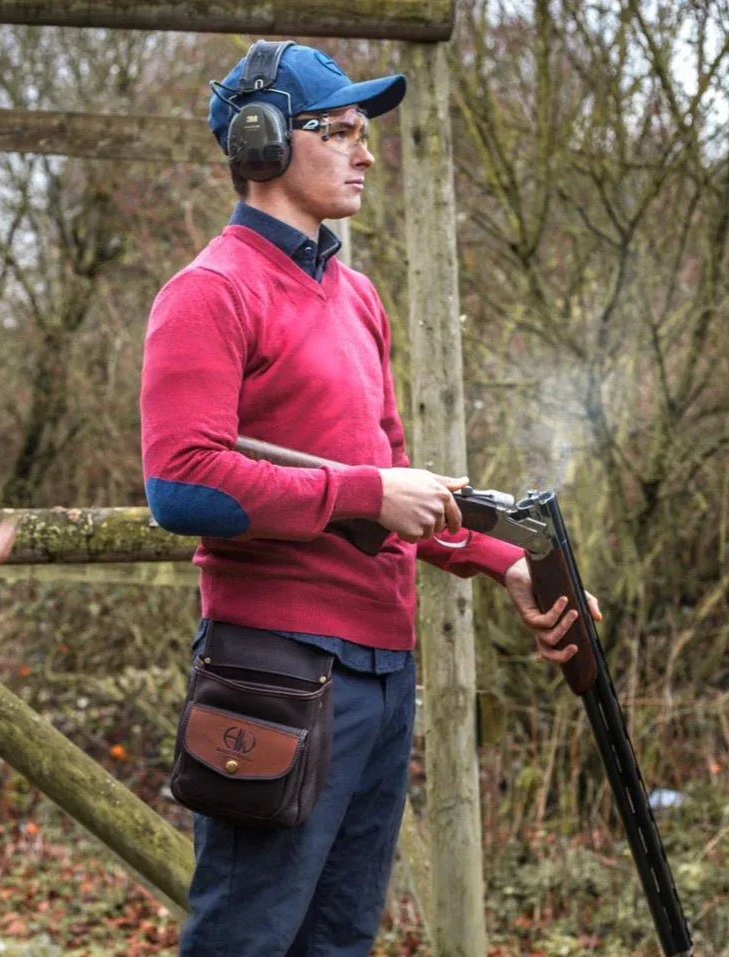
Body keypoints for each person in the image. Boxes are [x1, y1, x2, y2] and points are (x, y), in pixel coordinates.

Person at [140, 40, 600, 957]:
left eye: (364, 132)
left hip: (384, 675)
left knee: (338, 941)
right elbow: (181, 483)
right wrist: (362, 491)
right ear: (265, 141)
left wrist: (504, 560)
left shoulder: (357, 297)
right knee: (246, 939)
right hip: (275, 669)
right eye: (340, 129)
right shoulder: (210, 292)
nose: (363, 151)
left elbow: (390, 477)